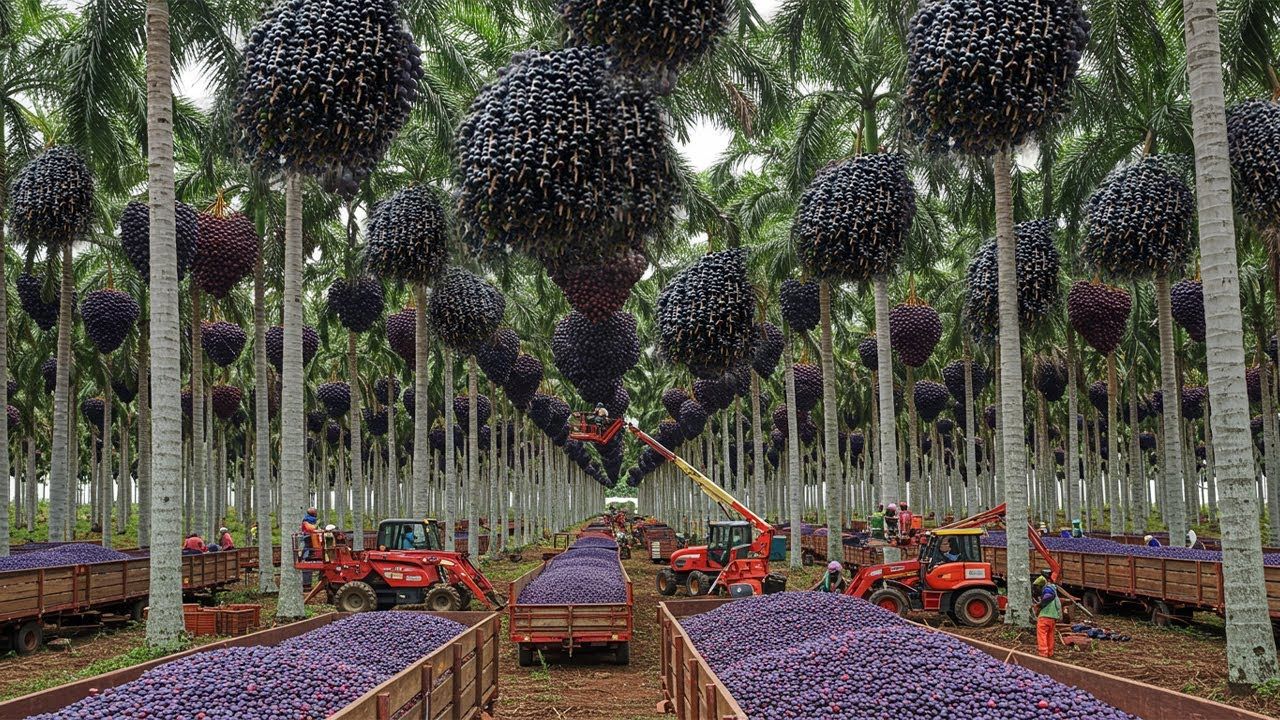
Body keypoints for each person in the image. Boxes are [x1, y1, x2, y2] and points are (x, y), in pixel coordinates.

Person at [1034, 582, 1062, 658]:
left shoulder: (1047, 590)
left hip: (1044, 617)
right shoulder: (1055, 592)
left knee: (1042, 634)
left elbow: (1045, 600)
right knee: (1050, 635)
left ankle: (1043, 653)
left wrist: (1038, 605)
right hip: (1053, 618)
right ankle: (1050, 652)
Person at [300, 508, 320, 588]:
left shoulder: (308, 519)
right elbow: (312, 528)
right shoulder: (309, 519)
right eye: (315, 512)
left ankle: (308, 555)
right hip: (308, 536)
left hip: (309, 536)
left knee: (308, 547)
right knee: (308, 547)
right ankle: (306, 556)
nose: (316, 513)